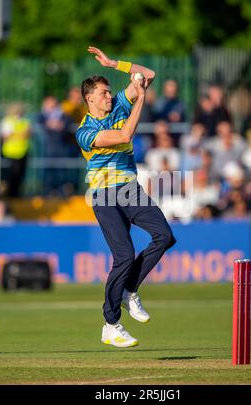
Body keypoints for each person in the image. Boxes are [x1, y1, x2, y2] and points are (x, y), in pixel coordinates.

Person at [76, 46, 176, 348]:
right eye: (103, 93)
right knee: (123, 256)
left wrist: (113, 63)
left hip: (130, 188)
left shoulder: (120, 103)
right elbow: (123, 137)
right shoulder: (85, 130)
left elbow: (149, 75)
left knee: (165, 236)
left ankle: (130, 289)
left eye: (109, 92)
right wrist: (141, 100)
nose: (109, 96)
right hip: (104, 195)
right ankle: (110, 324)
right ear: (89, 98)